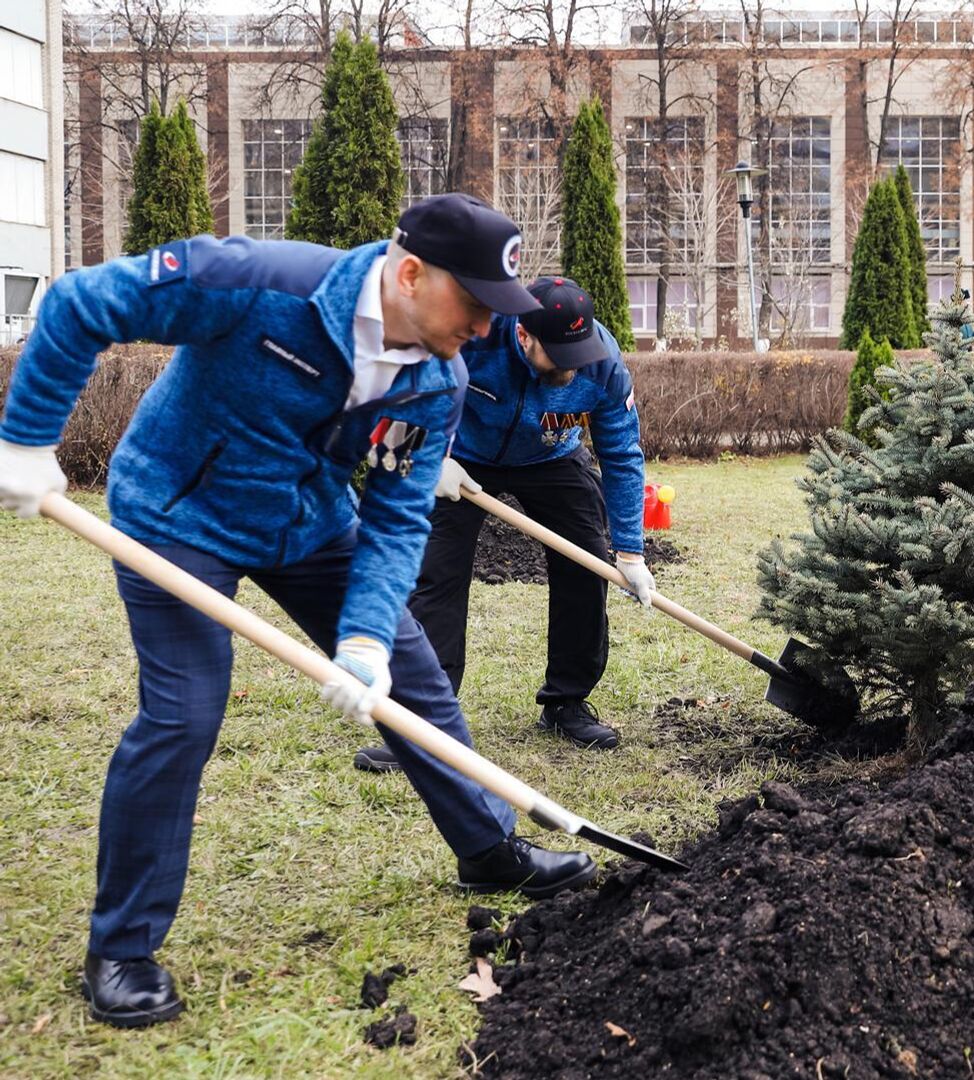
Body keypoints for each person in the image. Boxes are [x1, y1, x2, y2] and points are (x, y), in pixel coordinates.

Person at [0, 194, 598, 1029]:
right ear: (411, 272)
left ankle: (487, 848)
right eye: (474, 305)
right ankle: (123, 947)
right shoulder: (258, 284)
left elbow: (396, 515)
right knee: (182, 717)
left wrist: (362, 636)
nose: (488, 330)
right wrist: (26, 441)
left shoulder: (439, 377)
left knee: (413, 679)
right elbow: (79, 304)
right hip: (181, 519)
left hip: (312, 526)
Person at [353, 277, 651, 770]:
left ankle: (566, 702)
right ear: (524, 335)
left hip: (552, 458)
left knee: (586, 565)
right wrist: (429, 461)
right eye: (558, 352)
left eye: (577, 351)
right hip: (462, 458)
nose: (572, 364)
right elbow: (398, 393)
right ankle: (423, 724)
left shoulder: (600, 360)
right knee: (436, 576)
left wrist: (631, 553)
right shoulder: (475, 334)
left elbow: (621, 452)